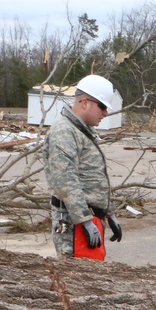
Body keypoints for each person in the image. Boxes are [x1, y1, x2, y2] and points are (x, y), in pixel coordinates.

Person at [45, 74, 123, 260]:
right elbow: (64, 179)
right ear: (85, 102)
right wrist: (84, 221)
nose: (105, 113)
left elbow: (92, 178)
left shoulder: (82, 132)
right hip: (73, 223)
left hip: (90, 219)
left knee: (91, 279)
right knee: (74, 279)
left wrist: (109, 213)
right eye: (102, 107)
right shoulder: (64, 131)